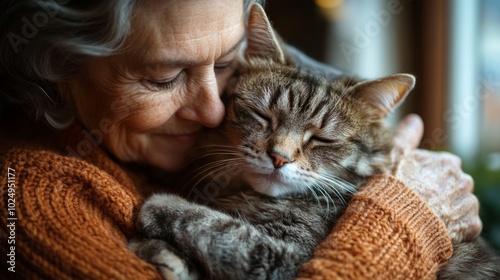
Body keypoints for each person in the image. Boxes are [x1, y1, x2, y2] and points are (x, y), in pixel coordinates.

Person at [0, 0, 481, 279]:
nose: (216, 110)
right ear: (62, 69)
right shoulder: (34, 203)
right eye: (165, 78)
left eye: (226, 65)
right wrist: (411, 217)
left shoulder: (184, 149)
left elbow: (309, 87)